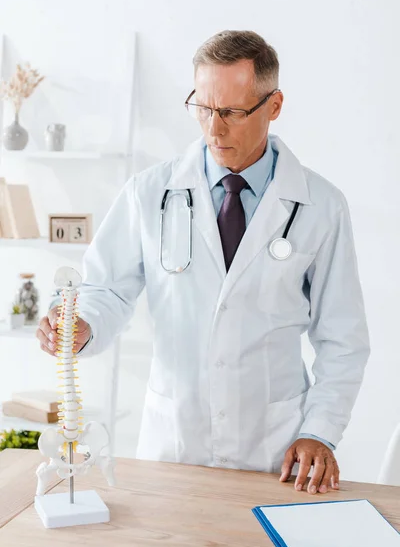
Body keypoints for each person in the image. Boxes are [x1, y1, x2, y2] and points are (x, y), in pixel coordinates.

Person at [36, 30, 370, 495]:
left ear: (273, 106)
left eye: (232, 112)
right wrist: (82, 324)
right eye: (203, 108)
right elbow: (105, 289)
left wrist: (319, 431)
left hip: (274, 449)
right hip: (175, 442)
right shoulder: (149, 193)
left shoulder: (320, 206)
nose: (214, 128)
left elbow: (343, 339)